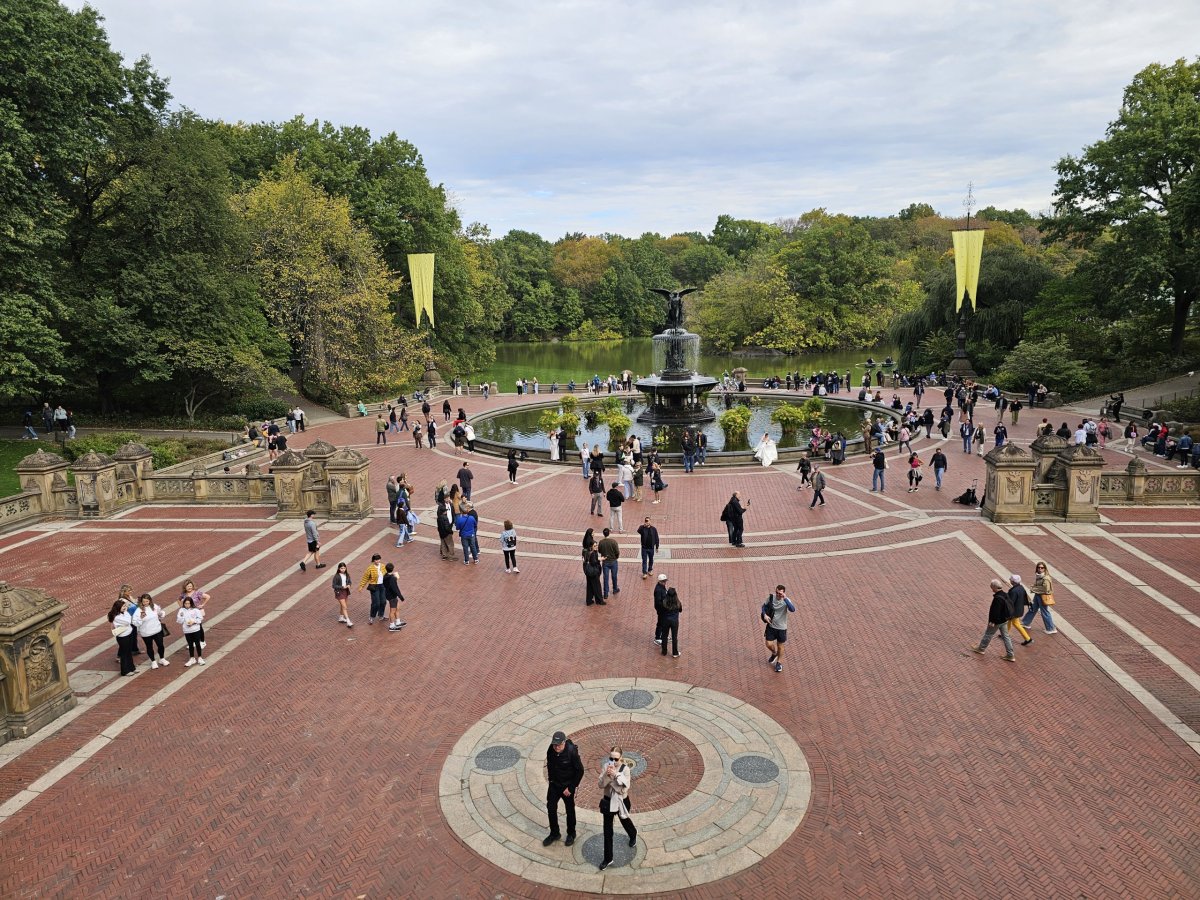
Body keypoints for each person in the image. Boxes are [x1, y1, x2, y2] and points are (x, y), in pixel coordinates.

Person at [596, 746, 638, 870]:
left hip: (622, 801)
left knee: (625, 821)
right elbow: (600, 785)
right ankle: (608, 858)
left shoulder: (625, 770)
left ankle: (633, 834)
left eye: (616, 759)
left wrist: (614, 777)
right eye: (611, 758)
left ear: (621, 758)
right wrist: (607, 776)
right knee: (607, 831)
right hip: (608, 801)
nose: (613, 761)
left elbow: (623, 789)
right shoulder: (606, 767)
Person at [543, 730, 585, 848]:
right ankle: (554, 833)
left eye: (559, 745)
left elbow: (580, 771)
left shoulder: (571, 752)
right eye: (554, 745)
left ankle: (571, 833)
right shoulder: (550, 750)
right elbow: (550, 766)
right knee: (551, 808)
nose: (556, 747)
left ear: (564, 742)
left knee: (570, 810)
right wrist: (551, 781)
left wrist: (571, 788)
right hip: (554, 785)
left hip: (567, 787)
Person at [971, 578, 1017, 661]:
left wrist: (992, 622)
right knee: (1006, 637)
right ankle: (1010, 654)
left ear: (995, 587)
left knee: (988, 634)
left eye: (991, 586)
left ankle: (981, 649)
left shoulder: (997, 598)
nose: (991, 588)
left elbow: (995, 612)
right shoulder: (1005, 594)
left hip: (997, 621)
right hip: (1004, 620)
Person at [762, 585, 796, 674]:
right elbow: (764, 607)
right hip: (771, 625)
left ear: (783, 592)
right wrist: (765, 615)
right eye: (776, 592)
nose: (777, 594)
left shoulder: (786, 601)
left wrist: (784, 598)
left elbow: (792, 609)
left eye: (780, 593)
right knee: (768, 644)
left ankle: (779, 663)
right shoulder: (771, 597)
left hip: (781, 628)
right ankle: (774, 653)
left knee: (780, 645)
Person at [131, 593, 169, 669]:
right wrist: (141, 618)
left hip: (157, 630)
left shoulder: (154, 607)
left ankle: (162, 658)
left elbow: (160, 614)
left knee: (160, 645)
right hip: (146, 633)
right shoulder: (138, 610)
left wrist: (161, 613)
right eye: (143, 601)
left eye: (147, 601)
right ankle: (153, 661)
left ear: (150, 601)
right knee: (149, 647)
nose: (145, 603)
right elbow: (135, 622)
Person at [1022, 561, 1059, 635]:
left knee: (1044, 612)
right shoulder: (1039, 576)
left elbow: (1045, 589)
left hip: (1043, 596)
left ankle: (1051, 628)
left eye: (1042, 568)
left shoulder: (1046, 578)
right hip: (1038, 595)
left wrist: (1034, 589)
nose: (1040, 569)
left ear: (1045, 569)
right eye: (1038, 567)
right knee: (1033, 608)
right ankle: (1026, 623)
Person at [109, 598, 138, 676]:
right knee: (124, 653)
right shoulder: (116, 617)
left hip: (129, 633)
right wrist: (127, 615)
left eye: (125, 606)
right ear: (118, 608)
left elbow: (129, 619)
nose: (125, 608)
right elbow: (128, 621)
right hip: (123, 637)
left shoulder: (124, 613)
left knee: (129, 652)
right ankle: (124, 671)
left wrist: (126, 613)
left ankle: (132, 668)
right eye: (123, 606)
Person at [178, 579, 210, 648]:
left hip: (197, 612)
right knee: (190, 627)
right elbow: (178, 599)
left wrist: (202, 604)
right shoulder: (183, 594)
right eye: (188, 586)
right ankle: (192, 642)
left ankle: (202, 641)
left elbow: (207, 597)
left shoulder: (197, 593)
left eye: (190, 586)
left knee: (199, 627)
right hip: (188, 613)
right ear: (185, 587)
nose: (189, 587)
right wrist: (181, 607)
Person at [177, 597, 206, 666]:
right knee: (190, 644)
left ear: (191, 603)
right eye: (186, 603)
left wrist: (194, 622)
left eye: (188, 603)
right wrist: (182, 617)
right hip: (187, 630)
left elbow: (200, 619)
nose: (187, 605)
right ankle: (192, 658)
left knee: (197, 643)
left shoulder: (195, 610)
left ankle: (200, 657)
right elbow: (179, 620)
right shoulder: (181, 610)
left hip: (196, 629)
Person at [359, 553, 387, 624]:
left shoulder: (383, 566)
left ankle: (381, 615)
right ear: (373, 560)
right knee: (376, 603)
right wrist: (361, 586)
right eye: (376, 560)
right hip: (374, 587)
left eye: (378, 559)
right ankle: (372, 617)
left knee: (383, 601)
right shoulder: (370, 568)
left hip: (382, 586)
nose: (378, 561)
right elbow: (365, 578)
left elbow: (386, 575)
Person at [1008, 574, 1033, 646]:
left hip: (1014, 611)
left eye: (1011, 580)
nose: (1010, 580)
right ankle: (1005, 633)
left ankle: (1028, 639)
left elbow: (1011, 602)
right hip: (1019, 609)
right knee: (1008, 620)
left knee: (1016, 624)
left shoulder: (1013, 591)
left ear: (1013, 582)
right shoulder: (1021, 588)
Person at [382, 562, 406, 632]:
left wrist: (394, 577)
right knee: (392, 611)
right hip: (392, 596)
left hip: (390, 595)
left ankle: (398, 622)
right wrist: (401, 596)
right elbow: (395, 588)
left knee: (397, 608)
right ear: (393, 569)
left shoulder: (386, 576)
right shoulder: (392, 578)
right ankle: (391, 625)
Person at [659, 587, 682, 657]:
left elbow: (661, 611)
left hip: (665, 621)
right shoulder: (678, 603)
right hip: (674, 621)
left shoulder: (664, 602)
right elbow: (680, 610)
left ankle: (664, 651)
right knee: (674, 637)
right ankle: (675, 653)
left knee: (664, 636)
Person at [598, 527, 620, 598]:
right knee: (614, 576)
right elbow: (617, 552)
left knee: (605, 578)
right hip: (613, 561)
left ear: (603, 534)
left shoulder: (601, 542)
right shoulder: (613, 542)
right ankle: (615, 589)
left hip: (605, 562)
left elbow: (599, 551)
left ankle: (606, 593)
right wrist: (616, 557)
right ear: (609, 533)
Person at [331, 563, 354, 627]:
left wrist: (349, 585)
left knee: (343, 606)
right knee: (345, 607)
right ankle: (348, 621)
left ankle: (341, 617)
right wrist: (342, 587)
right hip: (339, 592)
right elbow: (334, 585)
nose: (343, 569)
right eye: (341, 568)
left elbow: (349, 581)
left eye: (344, 568)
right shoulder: (337, 576)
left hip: (346, 591)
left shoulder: (347, 575)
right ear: (339, 568)